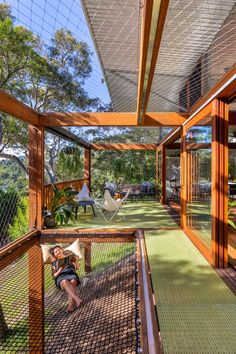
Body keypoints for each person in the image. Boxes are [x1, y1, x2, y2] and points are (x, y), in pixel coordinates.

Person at [49, 245, 82, 313]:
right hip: (61, 277)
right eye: (56, 252)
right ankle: (77, 299)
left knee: (72, 283)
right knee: (65, 281)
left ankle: (71, 305)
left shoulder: (70, 258)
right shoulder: (54, 263)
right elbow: (54, 276)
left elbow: (77, 268)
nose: (58, 252)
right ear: (54, 255)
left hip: (72, 275)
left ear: (62, 250)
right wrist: (60, 269)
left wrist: (76, 261)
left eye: (59, 250)